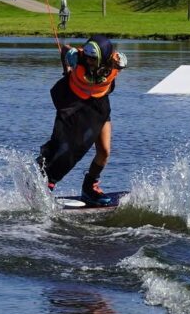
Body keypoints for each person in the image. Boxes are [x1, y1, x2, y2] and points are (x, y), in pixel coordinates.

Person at [36, 35, 128, 206]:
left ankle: (89, 188)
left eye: (93, 58)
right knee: (71, 145)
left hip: (99, 107)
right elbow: (64, 50)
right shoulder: (76, 57)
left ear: (103, 57)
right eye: (87, 56)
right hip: (77, 104)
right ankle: (47, 178)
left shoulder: (116, 62)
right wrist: (67, 71)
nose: (88, 60)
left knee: (105, 151)